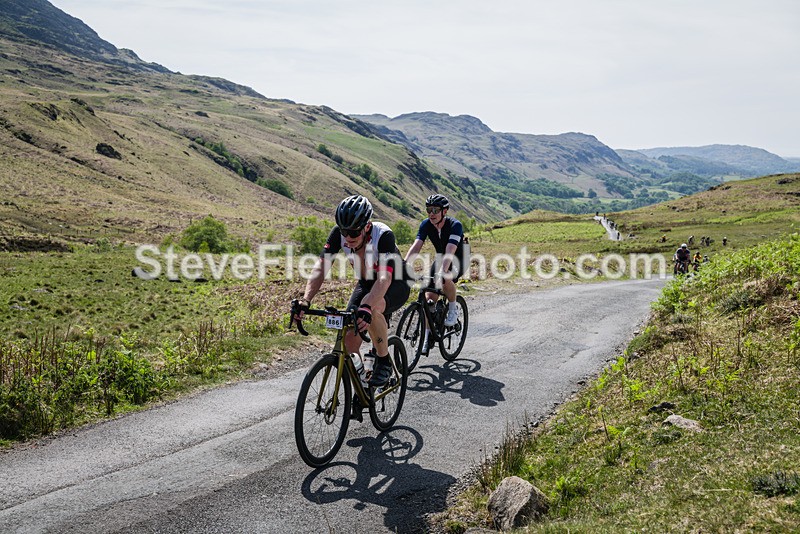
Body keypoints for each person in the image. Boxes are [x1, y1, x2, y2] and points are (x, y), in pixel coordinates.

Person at [294, 195, 410, 387]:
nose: (347, 238)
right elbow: (321, 268)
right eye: (344, 231)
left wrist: (366, 306)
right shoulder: (339, 235)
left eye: (353, 232)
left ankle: (384, 360)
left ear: (366, 226)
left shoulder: (383, 236)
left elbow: (384, 279)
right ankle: (363, 384)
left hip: (395, 282)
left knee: (371, 309)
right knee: (348, 341)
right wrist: (306, 300)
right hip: (366, 282)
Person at [404, 194, 465, 350]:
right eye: (429, 210)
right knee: (428, 298)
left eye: (435, 210)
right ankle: (428, 334)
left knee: (445, 278)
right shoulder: (426, 224)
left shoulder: (454, 225)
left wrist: (442, 272)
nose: (431, 213)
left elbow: (450, 252)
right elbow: (417, 246)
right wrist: (404, 265)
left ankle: (452, 309)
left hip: (458, 258)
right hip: (440, 258)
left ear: (444, 211)